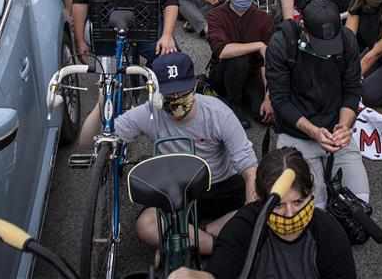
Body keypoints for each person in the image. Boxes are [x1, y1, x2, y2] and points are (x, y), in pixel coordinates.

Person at [81, 52, 257, 258]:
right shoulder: (149, 113)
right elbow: (87, 142)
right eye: (168, 95)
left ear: (193, 87)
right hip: (175, 191)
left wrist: (251, 205)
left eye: (182, 93)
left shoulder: (218, 113)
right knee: (146, 227)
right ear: (156, 94)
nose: (176, 101)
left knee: (264, 197)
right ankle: (214, 244)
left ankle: (189, 240)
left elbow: (249, 168)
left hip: (219, 184)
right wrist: (101, 102)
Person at [169, 147, 356, 279]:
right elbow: (218, 273)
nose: (289, 213)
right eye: (278, 205)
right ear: (260, 199)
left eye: (298, 202)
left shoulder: (328, 232)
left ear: (310, 194)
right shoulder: (244, 225)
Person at [266, 0, 369, 209]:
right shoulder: (281, 44)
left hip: (336, 133)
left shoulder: (347, 40)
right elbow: (280, 100)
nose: (327, 53)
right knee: (313, 208)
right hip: (297, 132)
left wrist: (344, 127)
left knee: (359, 205)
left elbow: (352, 89)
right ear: (303, 27)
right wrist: (313, 131)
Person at [207, 0, 274, 128]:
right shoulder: (215, 15)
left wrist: (268, 97)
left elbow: (268, 63)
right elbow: (222, 51)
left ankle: (247, 97)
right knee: (239, 59)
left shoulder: (264, 18)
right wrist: (258, 45)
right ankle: (233, 103)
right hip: (224, 73)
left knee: (265, 117)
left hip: (253, 74)